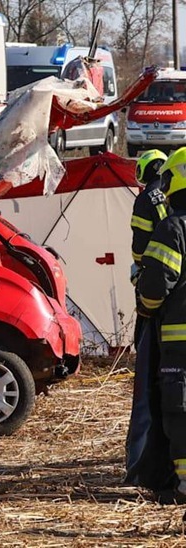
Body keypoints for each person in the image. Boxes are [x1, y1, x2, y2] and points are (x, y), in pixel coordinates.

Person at [131, 146, 186, 504]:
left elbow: (153, 286)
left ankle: (184, 484)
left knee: (179, 409)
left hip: (180, 339)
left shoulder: (174, 226)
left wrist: (146, 309)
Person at [130, 149, 170, 348]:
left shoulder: (145, 199)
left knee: (147, 322)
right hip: (177, 268)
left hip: (154, 269)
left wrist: (139, 268)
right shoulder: (173, 191)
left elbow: (140, 244)